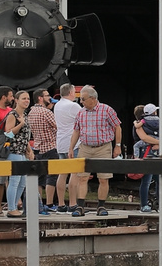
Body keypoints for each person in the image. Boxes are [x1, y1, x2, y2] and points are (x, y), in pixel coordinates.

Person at [68, 85, 120, 214]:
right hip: (85, 147)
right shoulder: (80, 112)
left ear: (93, 98)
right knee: (82, 177)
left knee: (103, 178)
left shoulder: (107, 110)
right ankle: (80, 206)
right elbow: (76, 131)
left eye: (83, 99)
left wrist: (117, 145)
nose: (81, 102)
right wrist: (71, 148)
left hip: (103, 147)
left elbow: (117, 127)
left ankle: (101, 206)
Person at [2, 91, 37, 217]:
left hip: (22, 151)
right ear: (16, 100)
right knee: (14, 180)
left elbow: (24, 136)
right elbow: (9, 133)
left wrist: (30, 149)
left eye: (28, 98)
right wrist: (21, 123)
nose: (26, 101)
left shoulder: (25, 115)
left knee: (22, 182)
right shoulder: (12, 115)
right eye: (23, 98)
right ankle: (11, 208)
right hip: (13, 151)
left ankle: (15, 206)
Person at [28, 89, 60, 211]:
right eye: (47, 96)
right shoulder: (46, 113)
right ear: (40, 98)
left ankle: (39, 204)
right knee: (51, 177)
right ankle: (50, 203)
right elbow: (58, 126)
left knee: (40, 179)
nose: (50, 98)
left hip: (38, 147)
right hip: (50, 147)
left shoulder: (31, 111)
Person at [53, 83, 79, 211]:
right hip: (73, 143)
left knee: (62, 174)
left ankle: (61, 204)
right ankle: (73, 203)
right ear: (70, 93)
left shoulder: (57, 105)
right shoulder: (73, 106)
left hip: (61, 142)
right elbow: (82, 118)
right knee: (75, 173)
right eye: (74, 91)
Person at [132, 103, 161, 212]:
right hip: (152, 153)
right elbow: (145, 138)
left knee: (148, 181)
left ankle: (146, 205)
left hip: (145, 152)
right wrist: (161, 142)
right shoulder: (157, 122)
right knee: (157, 180)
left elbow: (142, 140)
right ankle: (156, 204)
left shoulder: (140, 124)